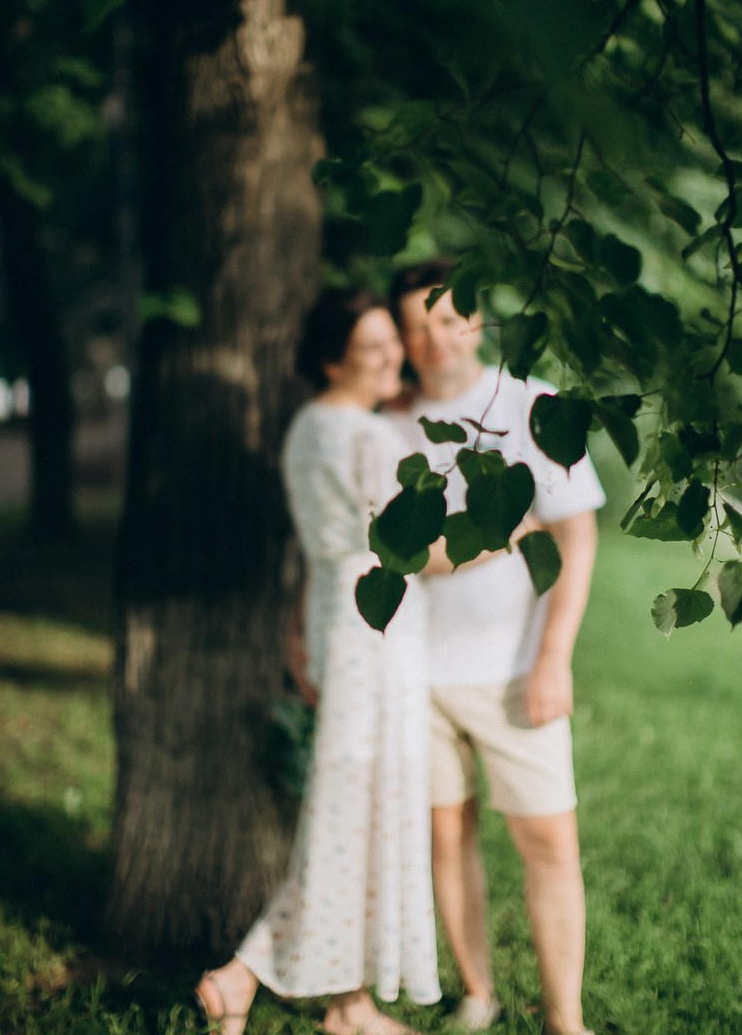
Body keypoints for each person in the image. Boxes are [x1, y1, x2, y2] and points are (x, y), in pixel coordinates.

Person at [195, 287, 486, 1035]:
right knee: (353, 815)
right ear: (333, 361)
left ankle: (349, 1004)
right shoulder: (365, 436)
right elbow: (418, 550)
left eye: (392, 340)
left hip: (338, 614)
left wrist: (300, 625)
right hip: (374, 634)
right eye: (373, 347)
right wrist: (505, 534)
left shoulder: (309, 428)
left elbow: (326, 542)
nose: (394, 356)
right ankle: (243, 976)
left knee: (359, 813)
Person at [387, 260, 605, 1035]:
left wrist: (554, 657)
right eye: (416, 327)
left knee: (548, 839)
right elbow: (393, 553)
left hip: (515, 670)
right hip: (414, 673)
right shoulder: (389, 423)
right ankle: (478, 992)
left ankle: (564, 1019)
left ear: (476, 320)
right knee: (448, 837)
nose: (435, 339)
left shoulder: (530, 405)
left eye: (448, 320)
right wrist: (505, 532)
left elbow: (577, 538)